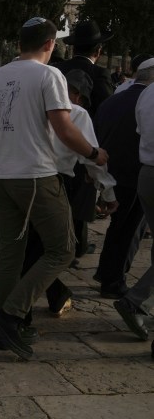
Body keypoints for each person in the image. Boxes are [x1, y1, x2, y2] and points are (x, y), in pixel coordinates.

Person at [0, 17, 109, 359]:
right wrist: (94, 153)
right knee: (63, 248)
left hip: (1, 175)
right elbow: (64, 128)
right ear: (50, 44)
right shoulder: (49, 75)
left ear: (20, 42)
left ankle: (8, 325)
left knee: (12, 250)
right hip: (35, 175)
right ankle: (9, 316)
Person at [92, 58, 154, 298]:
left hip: (112, 170)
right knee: (129, 231)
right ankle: (113, 279)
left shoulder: (113, 100)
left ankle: (106, 272)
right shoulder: (144, 100)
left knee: (118, 226)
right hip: (135, 172)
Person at [112, 76, 154, 359]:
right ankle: (137, 299)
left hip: (147, 174)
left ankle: (139, 301)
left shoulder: (148, 92)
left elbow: (141, 130)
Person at [53, 19, 114, 117]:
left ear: (73, 49)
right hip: (87, 129)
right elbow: (107, 108)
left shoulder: (56, 69)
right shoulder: (100, 74)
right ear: (98, 51)